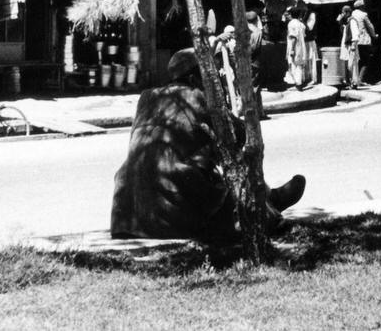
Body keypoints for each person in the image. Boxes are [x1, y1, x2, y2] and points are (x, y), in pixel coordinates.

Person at [111, 48, 305, 241]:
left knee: (203, 163)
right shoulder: (195, 97)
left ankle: (268, 198)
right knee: (224, 185)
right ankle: (268, 207)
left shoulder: (146, 97)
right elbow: (239, 134)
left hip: (126, 213)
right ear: (197, 78)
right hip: (169, 209)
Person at [342, 0, 375, 88]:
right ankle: (359, 79)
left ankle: (354, 80)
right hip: (363, 41)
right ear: (361, 7)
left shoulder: (352, 15)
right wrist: (374, 35)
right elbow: (370, 27)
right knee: (365, 61)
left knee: (356, 62)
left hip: (355, 42)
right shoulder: (364, 15)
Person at [285, 5, 311, 89]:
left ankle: (297, 83)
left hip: (295, 47)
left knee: (293, 64)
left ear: (291, 14)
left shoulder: (291, 24)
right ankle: (299, 82)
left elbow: (293, 37)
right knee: (299, 65)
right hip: (301, 46)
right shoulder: (301, 24)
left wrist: (292, 49)